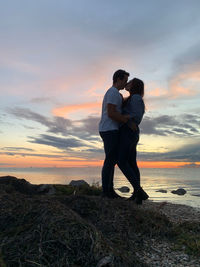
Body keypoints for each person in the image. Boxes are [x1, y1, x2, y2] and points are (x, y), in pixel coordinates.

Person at [99, 69, 130, 198]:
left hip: (111, 129)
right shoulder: (112, 93)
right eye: (125, 80)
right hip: (109, 129)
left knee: (112, 160)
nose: (125, 83)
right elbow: (111, 113)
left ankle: (109, 190)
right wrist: (125, 119)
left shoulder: (117, 94)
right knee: (110, 160)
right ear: (118, 79)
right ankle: (107, 191)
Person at [117, 78, 149, 204]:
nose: (127, 84)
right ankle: (137, 196)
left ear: (134, 86)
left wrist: (122, 118)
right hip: (130, 132)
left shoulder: (136, 98)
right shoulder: (133, 98)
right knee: (131, 163)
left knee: (121, 161)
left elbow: (136, 115)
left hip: (129, 131)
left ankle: (139, 191)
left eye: (129, 82)